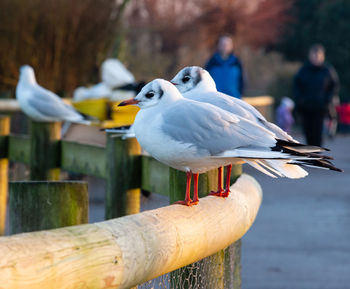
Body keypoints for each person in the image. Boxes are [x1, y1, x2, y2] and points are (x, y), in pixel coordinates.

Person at [293, 44, 339, 146]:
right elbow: (297, 86)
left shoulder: (327, 70)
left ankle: (317, 157)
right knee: (308, 134)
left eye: (318, 56)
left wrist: (328, 99)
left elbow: (334, 86)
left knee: (318, 135)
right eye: (314, 55)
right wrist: (300, 100)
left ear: (322, 56)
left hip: (321, 108)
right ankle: (310, 158)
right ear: (310, 56)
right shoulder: (303, 70)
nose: (316, 58)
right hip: (306, 108)